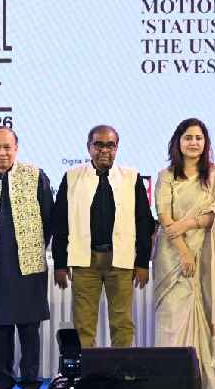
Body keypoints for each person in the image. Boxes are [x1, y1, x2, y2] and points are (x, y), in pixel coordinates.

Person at [152, 118, 215, 389]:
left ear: (206, 144)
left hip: (208, 257)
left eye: (199, 138)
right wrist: (183, 250)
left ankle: (203, 386)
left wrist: (188, 224)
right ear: (177, 142)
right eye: (188, 137)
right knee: (171, 321)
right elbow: (165, 217)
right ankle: (170, 386)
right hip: (173, 257)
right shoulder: (166, 175)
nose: (193, 143)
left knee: (204, 315)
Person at [51, 124, 155, 348]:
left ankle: (121, 376)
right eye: (98, 144)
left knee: (122, 323)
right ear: (89, 147)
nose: (104, 150)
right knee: (83, 325)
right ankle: (87, 377)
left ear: (117, 148)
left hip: (121, 260)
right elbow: (60, 223)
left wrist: (143, 262)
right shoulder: (72, 177)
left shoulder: (131, 177)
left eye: (110, 145)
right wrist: (59, 263)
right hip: (84, 261)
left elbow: (144, 221)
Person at [0, 126, 53, 389]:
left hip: (27, 265)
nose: (2, 152)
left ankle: (30, 383)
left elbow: (49, 218)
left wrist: (34, 246)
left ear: (16, 148)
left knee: (29, 327)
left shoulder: (36, 176)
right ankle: (2, 382)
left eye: (7, 147)